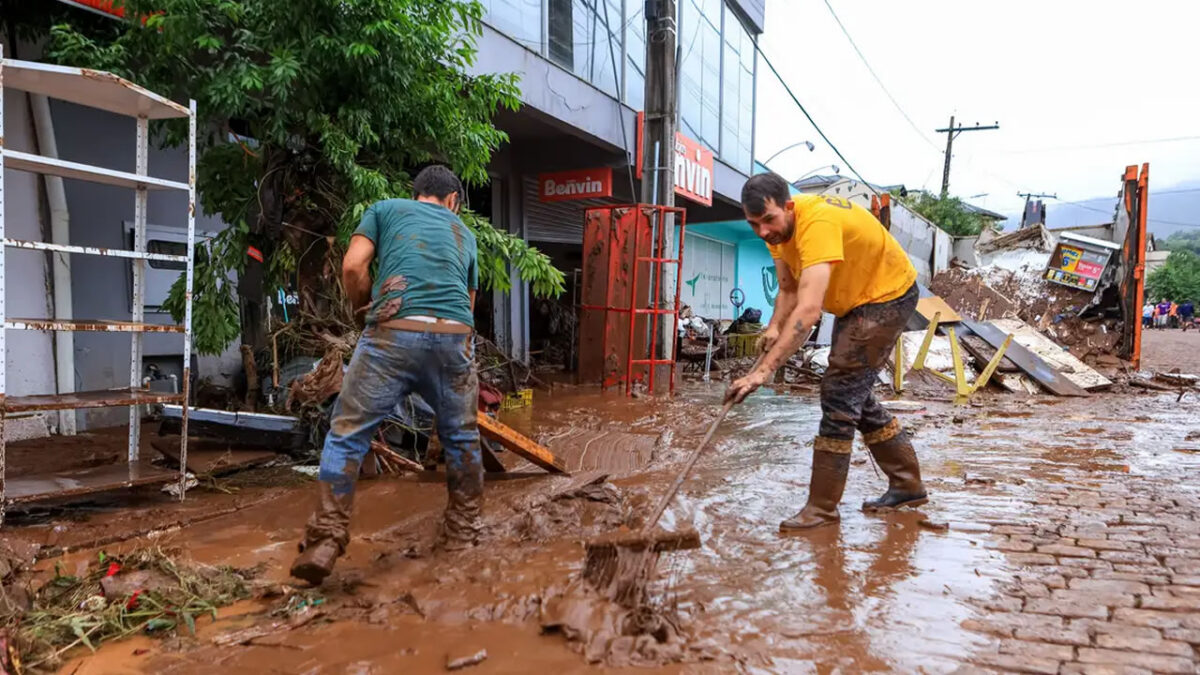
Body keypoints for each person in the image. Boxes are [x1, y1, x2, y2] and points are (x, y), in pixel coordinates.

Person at [291, 165, 483, 584]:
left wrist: (362, 307)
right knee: (462, 436)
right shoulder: (464, 234)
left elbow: (352, 268)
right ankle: (463, 535)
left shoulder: (384, 209)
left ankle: (326, 539)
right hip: (454, 338)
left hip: (393, 333)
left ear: (417, 194)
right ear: (454, 201)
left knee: (347, 433)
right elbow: (467, 307)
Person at [726, 173, 926, 531]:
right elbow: (788, 291)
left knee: (839, 394)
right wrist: (773, 327)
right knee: (852, 394)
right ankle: (907, 484)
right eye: (753, 224)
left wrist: (763, 371)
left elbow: (808, 311)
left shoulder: (816, 224)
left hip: (888, 294)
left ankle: (821, 509)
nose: (762, 232)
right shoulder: (777, 231)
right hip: (856, 302)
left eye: (768, 220)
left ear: (788, 206)